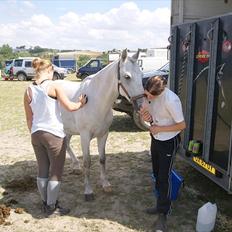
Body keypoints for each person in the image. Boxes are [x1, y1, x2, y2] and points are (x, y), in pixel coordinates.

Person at [24, 58, 87, 217]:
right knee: (56, 171)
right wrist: (81, 103)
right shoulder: (54, 86)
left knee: (42, 169)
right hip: (53, 134)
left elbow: (29, 118)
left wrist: (33, 132)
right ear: (49, 71)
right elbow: (70, 107)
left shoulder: (28, 90)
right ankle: (52, 207)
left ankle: (45, 203)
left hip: (36, 134)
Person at [139, 75, 186, 232]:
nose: (148, 98)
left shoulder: (171, 100)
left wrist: (160, 129)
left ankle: (163, 213)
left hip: (169, 141)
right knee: (156, 173)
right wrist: (146, 117)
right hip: (156, 137)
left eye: (152, 96)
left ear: (161, 91)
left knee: (164, 177)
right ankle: (160, 204)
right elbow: (149, 116)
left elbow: (181, 125)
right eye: (147, 94)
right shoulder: (148, 94)